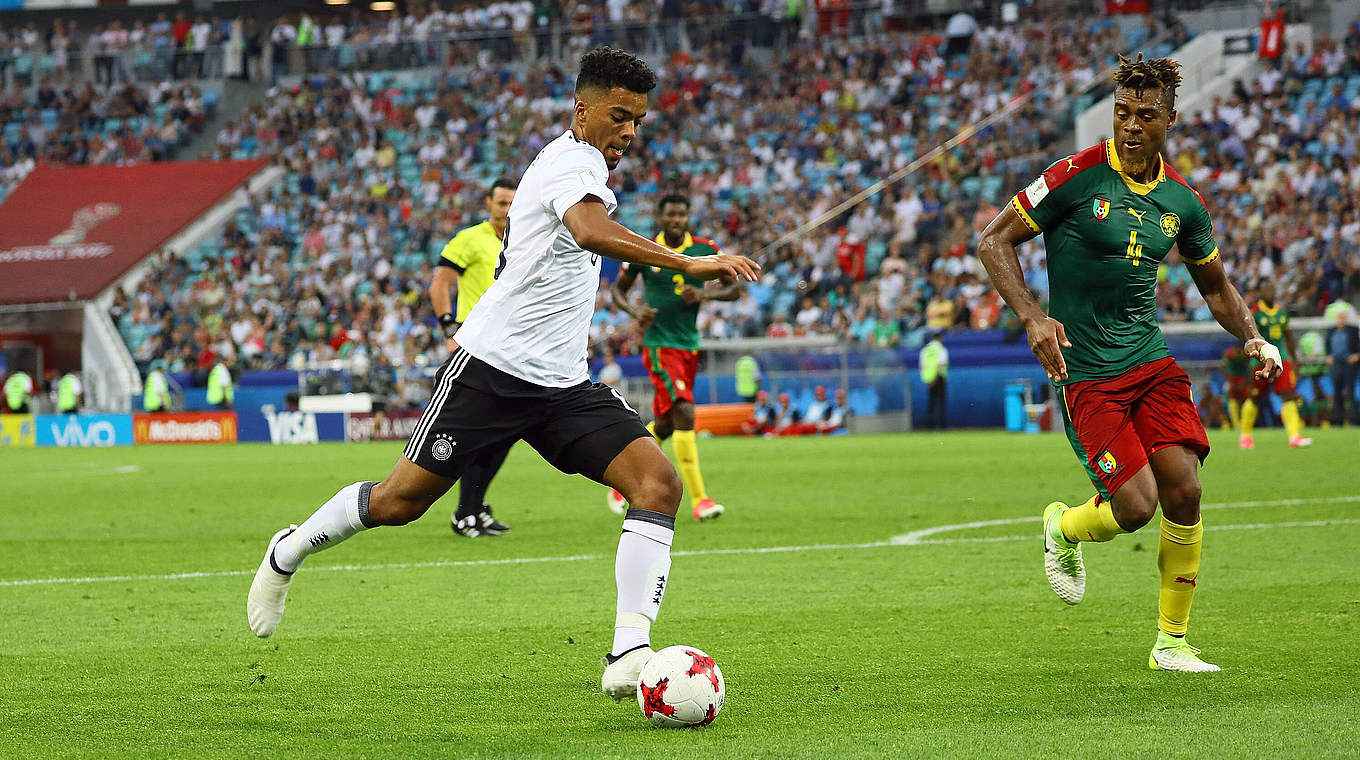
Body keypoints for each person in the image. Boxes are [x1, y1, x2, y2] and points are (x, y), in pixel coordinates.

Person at [245, 47, 761, 704]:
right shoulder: (570, 165)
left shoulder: (590, 164)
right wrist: (686, 263)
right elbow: (590, 229)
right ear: (583, 108)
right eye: (619, 115)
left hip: (562, 386)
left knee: (657, 484)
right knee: (399, 503)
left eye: (637, 121)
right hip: (488, 370)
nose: (630, 131)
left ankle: (630, 650)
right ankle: (288, 551)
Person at [977, 54, 1282, 672]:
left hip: (1149, 360)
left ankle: (1171, 643)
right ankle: (1063, 529)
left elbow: (1216, 287)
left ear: (1170, 118)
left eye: (1146, 115)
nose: (1131, 125)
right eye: (1122, 112)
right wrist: (1034, 316)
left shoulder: (1183, 204)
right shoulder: (1074, 175)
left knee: (1186, 491)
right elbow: (993, 239)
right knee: (1136, 507)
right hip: (1086, 372)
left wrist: (1253, 336)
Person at [607, 194, 741, 522]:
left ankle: (618, 481)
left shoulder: (704, 250)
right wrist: (636, 311)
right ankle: (700, 500)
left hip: (689, 345)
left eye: (682, 214)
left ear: (688, 215)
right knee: (684, 412)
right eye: (671, 215)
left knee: (665, 423)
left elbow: (733, 288)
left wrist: (705, 293)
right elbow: (618, 291)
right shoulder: (644, 248)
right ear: (661, 217)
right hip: (658, 345)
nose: (677, 220)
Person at [428, 178, 519, 538]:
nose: (507, 209)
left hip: (511, 345)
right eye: (501, 203)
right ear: (488, 203)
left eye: (512, 203)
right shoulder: (470, 239)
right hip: (477, 343)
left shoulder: (524, 237)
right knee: (476, 430)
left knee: (506, 433)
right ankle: (466, 511)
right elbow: (440, 284)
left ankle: (474, 507)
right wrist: (448, 327)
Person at [1239, 281, 1311, 449]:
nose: (1270, 292)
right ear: (1260, 293)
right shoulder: (1255, 313)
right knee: (1255, 397)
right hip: (1260, 361)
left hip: (1282, 360)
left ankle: (1294, 436)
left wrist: (1295, 360)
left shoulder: (1282, 313)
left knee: (1288, 394)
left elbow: (1289, 338)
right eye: (1266, 290)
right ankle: (1245, 436)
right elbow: (1247, 337)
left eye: (1272, 289)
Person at [1326, 306, 1360, 426]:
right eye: (1339, 317)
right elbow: (1328, 347)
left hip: (1349, 364)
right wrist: (1328, 356)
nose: (1341, 319)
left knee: (1351, 393)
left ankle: (1354, 421)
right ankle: (1338, 421)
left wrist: (1357, 355)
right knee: (1337, 393)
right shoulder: (1331, 331)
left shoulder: (1353, 330)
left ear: (1347, 318)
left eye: (1343, 317)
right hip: (1336, 364)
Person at [919, 330, 949, 430]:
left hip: (929, 379)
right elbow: (941, 364)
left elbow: (921, 366)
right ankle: (942, 425)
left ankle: (929, 426)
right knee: (941, 403)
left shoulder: (925, 350)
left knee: (931, 403)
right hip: (939, 377)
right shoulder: (942, 349)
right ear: (940, 338)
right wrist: (935, 378)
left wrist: (927, 379)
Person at [1221, 344, 1251, 430]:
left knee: (1246, 399)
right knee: (1228, 399)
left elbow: (1249, 369)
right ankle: (1234, 423)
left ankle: (1243, 422)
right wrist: (1229, 381)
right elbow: (1223, 367)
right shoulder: (1229, 354)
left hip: (1243, 379)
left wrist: (1245, 382)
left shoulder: (1247, 354)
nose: (1239, 353)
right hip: (1232, 379)